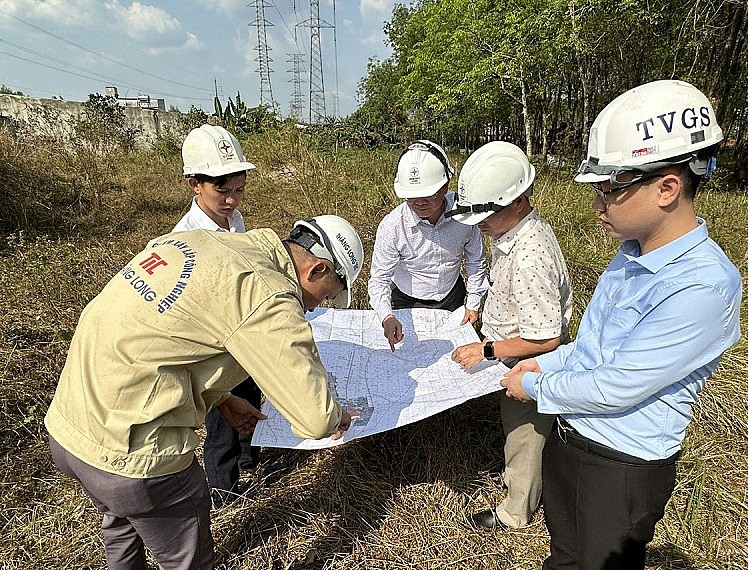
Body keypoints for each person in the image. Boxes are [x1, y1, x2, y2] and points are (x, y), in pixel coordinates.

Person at [501, 79, 742, 569]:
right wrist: (537, 361)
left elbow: (617, 386)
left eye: (610, 190)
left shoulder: (703, 287)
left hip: (621, 467)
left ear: (667, 187)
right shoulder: (630, 255)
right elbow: (591, 348)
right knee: (566, 556)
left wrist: (532, 385)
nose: (598, 206)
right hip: (572, 438)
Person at [45, 214, 364, 569]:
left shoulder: (204, 242)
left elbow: (162, 337)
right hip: (134, 458)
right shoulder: (267, 294)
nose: (318, 306)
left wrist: (223, 398)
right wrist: (342, 415)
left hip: (71, 430)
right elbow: (316, 419)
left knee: (122, 527)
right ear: (316, 270)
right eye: (328, 295)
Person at [448, 141, 573, 530]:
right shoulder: (514, 235)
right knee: (516, 429)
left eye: (488, 212)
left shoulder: (529, 255)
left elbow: (545, 338)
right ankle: (516, 482)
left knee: (526, 436)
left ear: (518, 201)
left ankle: (516, 511)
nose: (480, 222)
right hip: (511, 355)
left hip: (527, 364)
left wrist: (486, 349)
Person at [174, 124, 264, 508]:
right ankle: (224, 492)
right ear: (195, 184)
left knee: (250, 398)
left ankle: (251, 459)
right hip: (212, 343)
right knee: (220, 420)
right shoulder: (187, 238)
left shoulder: (234, 220)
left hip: (241, 333)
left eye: (239, 190)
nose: (231, 201)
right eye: (222, 191)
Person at [368, 140, 488, 351]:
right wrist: (387, 316)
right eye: (411, 196)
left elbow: (476, 260)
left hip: (453, 299)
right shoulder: (392, 226)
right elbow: (379, 280)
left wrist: (473, 302)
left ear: (446, 186)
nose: (419, 202)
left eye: (428, 194)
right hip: (406, 302)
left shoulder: (465, 214)